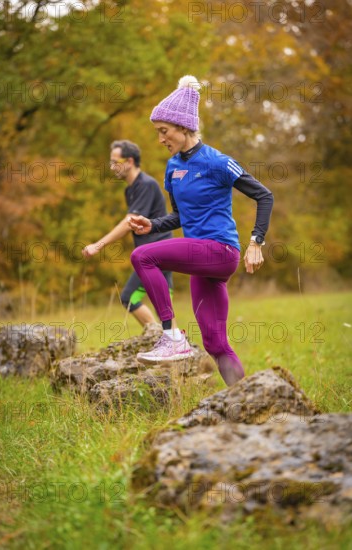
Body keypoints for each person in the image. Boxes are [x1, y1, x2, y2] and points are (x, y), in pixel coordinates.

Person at [127, 76, 274, 386]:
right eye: (158, 133)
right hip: (200, 260)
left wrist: (256, 242)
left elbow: (264, 195)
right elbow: (179, 216)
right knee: (215, 344)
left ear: (183, 128)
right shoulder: (172, 167)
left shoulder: (218, 162)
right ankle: (246, 399)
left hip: (220, 251)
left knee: (142, 256)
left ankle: (171, 336)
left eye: (164, 132)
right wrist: (153, 224)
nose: (160, 139)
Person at [82, 140, 175, 327]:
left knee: (129, 298)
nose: (112, 166)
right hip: (156, 254)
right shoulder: (130, 189)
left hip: (156, 254)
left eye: (116, 162)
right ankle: (175, 344)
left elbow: (128, 223)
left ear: (130, 161)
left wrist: (98, 245)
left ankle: (156, 336)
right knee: (164, 305)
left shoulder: (146, 185)